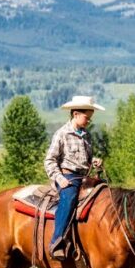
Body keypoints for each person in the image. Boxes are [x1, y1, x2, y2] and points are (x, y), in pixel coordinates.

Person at [45, 95, 105, 259]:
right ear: (76, 114)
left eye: (90, 119)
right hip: (68, 178)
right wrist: (59, 178)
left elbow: (86, 159)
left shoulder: (86, 135)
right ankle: (57, 241)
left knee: (105, 193)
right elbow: (50, 160)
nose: (88, 121)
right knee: (69, 199)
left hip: (84, 178)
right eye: (87, 117)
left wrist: (94, 161)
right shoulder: (62, 134)